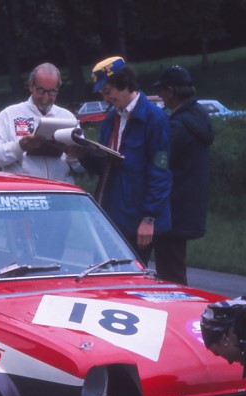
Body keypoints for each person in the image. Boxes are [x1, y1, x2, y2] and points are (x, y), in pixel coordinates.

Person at [80, 56, 171, 264]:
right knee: (101, 273)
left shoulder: (154, 119)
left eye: (108, 92)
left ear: (124, 83)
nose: (106, 99)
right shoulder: (110, 120)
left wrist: (149, 218)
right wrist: (82, 154)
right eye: (103, 94)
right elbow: (105, 167)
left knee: (130, 276)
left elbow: (160, 172)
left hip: (137, 218)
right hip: (110, 217)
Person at [150, 65, 214, 284]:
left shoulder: (179, 126)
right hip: (188, 207)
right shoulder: (198, 116)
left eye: (161, 91)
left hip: (174, 209)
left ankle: (177, 303)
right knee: (174, 266)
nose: (160, 96)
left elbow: (159, 159)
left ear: (170, 91)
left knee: (170, 273)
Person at [0, 63, 83, 184]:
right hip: (26, 191)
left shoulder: (68, 118)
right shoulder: (9, 114)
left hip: (60, 191)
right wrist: (19, 147)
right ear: (31, 86)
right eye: (41, 90)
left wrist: (74, 155)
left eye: (52, 92)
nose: (45, 97)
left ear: (58, 90)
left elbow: (80, 168)